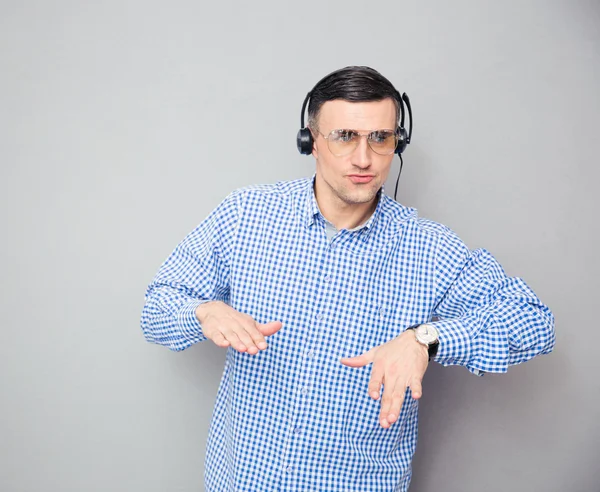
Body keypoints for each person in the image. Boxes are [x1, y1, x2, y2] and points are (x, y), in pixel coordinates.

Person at [140, 66, 555, 492]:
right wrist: (203, 311)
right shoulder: (245, 215)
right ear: (311, 141)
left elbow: (533, 322)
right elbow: (157, 308)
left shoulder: (430, 249)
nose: (364, 159)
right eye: (345, 137)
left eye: (380, 138)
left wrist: (425, 340)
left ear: (398, 143)